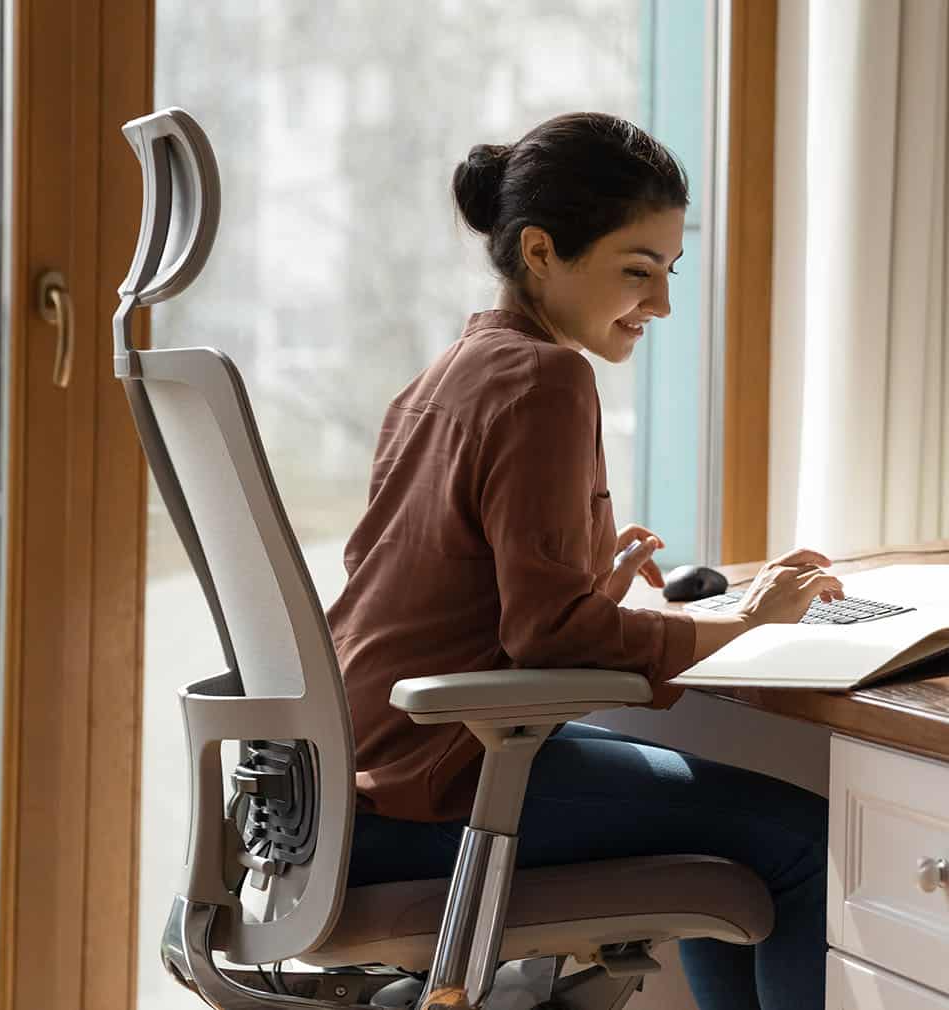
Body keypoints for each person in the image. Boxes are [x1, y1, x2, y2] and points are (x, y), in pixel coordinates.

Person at [326, 112, 840, 1010]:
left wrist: (589, 591)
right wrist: (746, 623)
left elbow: (464, 605)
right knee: (809, 844)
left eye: (669, 273)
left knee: (732, 849)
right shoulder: (546, 380)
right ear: (540, 252)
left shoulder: (446, 374)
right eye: (637, 271)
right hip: (433, 791)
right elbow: (546, 632)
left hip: (347, 786)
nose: (662, 304)